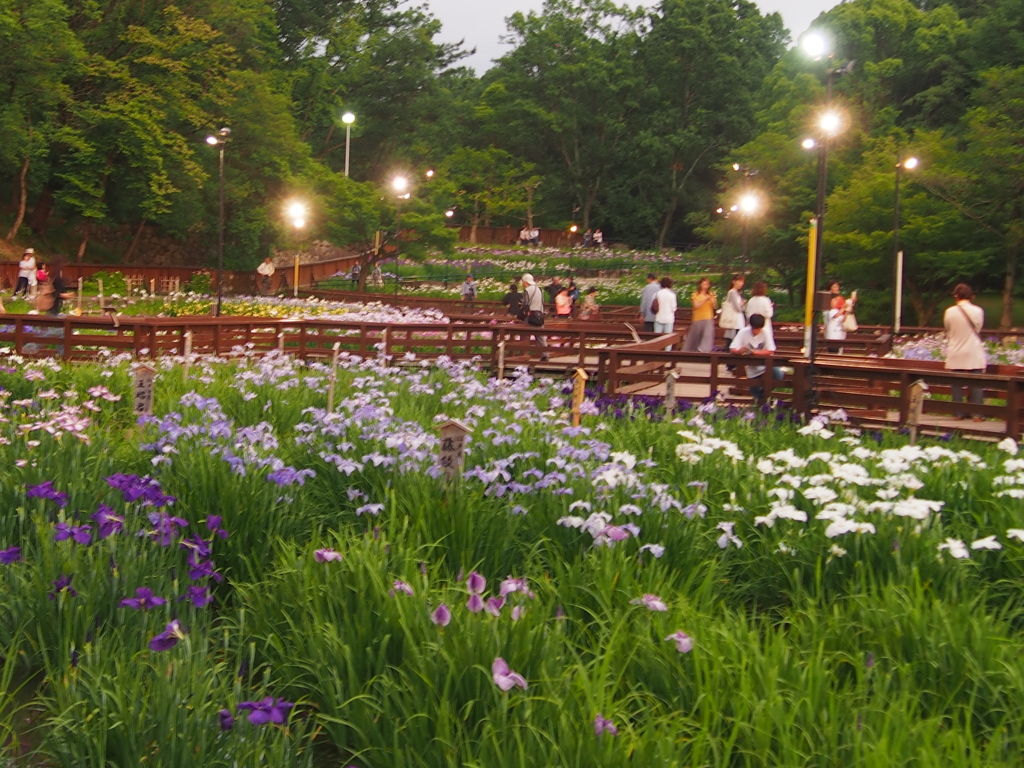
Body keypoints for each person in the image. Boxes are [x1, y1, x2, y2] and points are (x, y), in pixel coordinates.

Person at [943, 282, 987, 421]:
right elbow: (978, 329)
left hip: (956, 349)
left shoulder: (949, 312)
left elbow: (948, 330)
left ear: (956, 295)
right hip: (973, 349)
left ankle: (958, 413)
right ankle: (977, 414)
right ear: (971, 296)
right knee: (976, 382)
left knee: (956, 383)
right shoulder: (978, 311)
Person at [729, 314, 784, 402]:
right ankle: (760, 402)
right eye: (754, 328)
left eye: (758, 329)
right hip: (752, 370)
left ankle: (763, 398)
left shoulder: (765, 333)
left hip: (766, 366)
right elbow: (732, 348)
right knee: (754, 391)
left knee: (778, 375)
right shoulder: (743, 332)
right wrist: (739, 351)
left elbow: (770, 350)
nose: (755, 331)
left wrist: (754, 352)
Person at [683, 277, 717, 352]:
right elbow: (696, 306)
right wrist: (705, 299)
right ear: (700, 284)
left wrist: (712, 300)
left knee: (707, 334)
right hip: (698, 318)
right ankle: (690, 350)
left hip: (708, 317)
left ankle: (704, 350)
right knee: (695, 335)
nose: (705, 285)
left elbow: (715, 306)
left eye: (707, 284)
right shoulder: (695, 295)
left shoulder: (711, 294)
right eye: (704, 283)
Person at [521, 273, 548, 359]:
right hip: (540, 315)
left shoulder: (527, 290)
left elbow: (525, 304)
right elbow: (542, 301)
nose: (522, 284)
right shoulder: (539, 289)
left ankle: (523, 354)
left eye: (522, 282)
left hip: (531, 316)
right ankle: (545, 355)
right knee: (540, 336)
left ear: (525, 282)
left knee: (524, 333)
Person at [720, 274, 746, 347]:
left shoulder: (737, 293)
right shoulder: (732, 292)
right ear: (734, 282)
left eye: (742, 282)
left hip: (738, 319)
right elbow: (737, 307)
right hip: (734, 319)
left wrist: (741, 305)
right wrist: (741, 304)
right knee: (732, 338)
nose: (741, 284)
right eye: (739, 281)